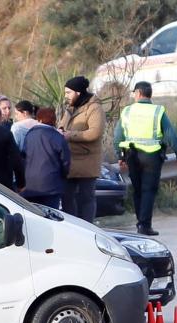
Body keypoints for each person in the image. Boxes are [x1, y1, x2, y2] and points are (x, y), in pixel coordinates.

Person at [114, 81, 177, 236]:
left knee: (137, 190)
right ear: (150, 94)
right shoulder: (158, 111)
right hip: (152, 155)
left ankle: (140, 223)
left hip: (132, 155)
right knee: (148, 190)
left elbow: (117, 136)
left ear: (138, 93)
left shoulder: (127, 111)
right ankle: (145, 225)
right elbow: (171, 135)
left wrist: (120, 155)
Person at [57, 76, 106, 223]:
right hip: (69, 160)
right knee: (67, 197)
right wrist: (59, 131)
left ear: (78, 93)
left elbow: (95, 133)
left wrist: (69, 135)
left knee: (86, 198)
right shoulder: (70, 109)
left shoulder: (94, 108)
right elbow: (62, 126)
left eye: (68, 93)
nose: (66, 96)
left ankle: (87, 228)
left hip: (87, 161)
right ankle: (72, 227)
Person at [21, 108, 71, 209]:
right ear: (54, 120)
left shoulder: (29, 135)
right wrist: (64, 176)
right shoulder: (58, 137)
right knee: (51, 217)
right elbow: (66, 162)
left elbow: (23, 156)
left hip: (31, 185)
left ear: (38, 119)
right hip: (51, 185)